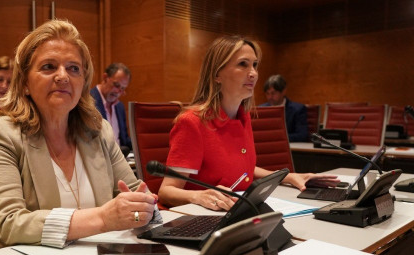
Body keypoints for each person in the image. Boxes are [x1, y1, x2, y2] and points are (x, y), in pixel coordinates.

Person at [0, 19, 161, 253]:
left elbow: (137, 196)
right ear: (25, 83)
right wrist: (103, 219)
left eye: (73, 68)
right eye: (49, 66)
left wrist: (143, 211)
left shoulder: (99, 132)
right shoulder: (0, 133)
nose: (63, 76)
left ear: (83, 82)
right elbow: (8, 223)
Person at [158, 35, 339, 210]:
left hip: (236, 212)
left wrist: (288, 177)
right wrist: (198, 196)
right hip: (199, 219)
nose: (253, 73)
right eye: (242, 64)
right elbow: (166, 191)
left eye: (254, 65)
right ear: (216, 74)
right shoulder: (192, 122)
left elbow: (245, 169)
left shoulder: (243, 117)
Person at [90, 63, 132, 153]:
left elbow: (124, 140)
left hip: (121, 158)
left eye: (123, 88)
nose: (118, 92)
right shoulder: (88, 101)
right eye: (116, 85)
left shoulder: (119, 106)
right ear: (105, 78)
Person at [259, 74, 309, 142]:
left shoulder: (298, 109)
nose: (270, 97)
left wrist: (277, 137)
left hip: (290, 147)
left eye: (273, 93)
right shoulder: (260, 109)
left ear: (283, 91)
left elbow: (302, 135)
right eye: (267, 93)